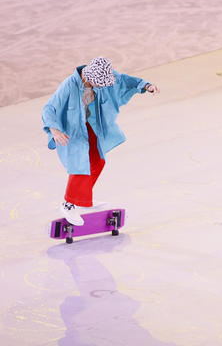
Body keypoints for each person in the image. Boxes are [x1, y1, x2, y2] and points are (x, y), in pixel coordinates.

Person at [42, 57, 159, 225]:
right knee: (81, 164)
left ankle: (83, 198)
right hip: (72, 131)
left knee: (98, 161)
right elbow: (49, 108)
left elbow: (124, 80)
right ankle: (69, 204)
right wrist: (54, 130)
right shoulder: (69, 85)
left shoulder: (105, 75)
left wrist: (146, 86)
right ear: (88, 78)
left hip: (92, 125)